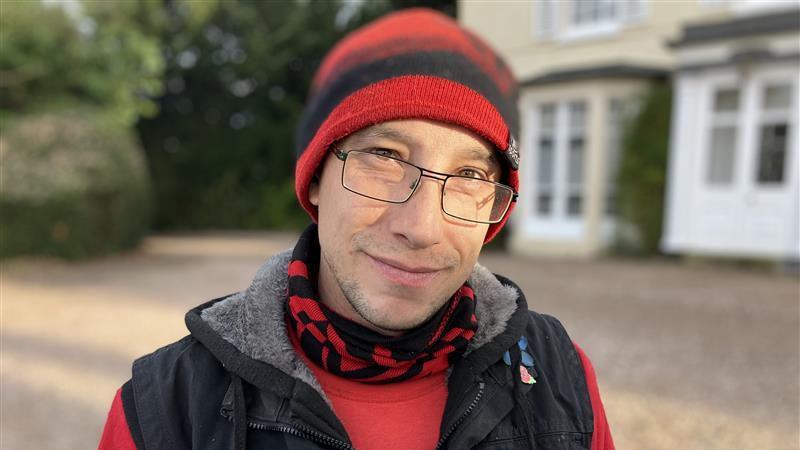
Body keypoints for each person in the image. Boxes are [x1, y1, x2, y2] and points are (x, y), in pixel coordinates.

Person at [98, 8, 614, 450]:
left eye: (471, 175)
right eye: (385, 157)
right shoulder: (165, 408)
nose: (422, 228)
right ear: (316, 179)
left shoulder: (556, 375)